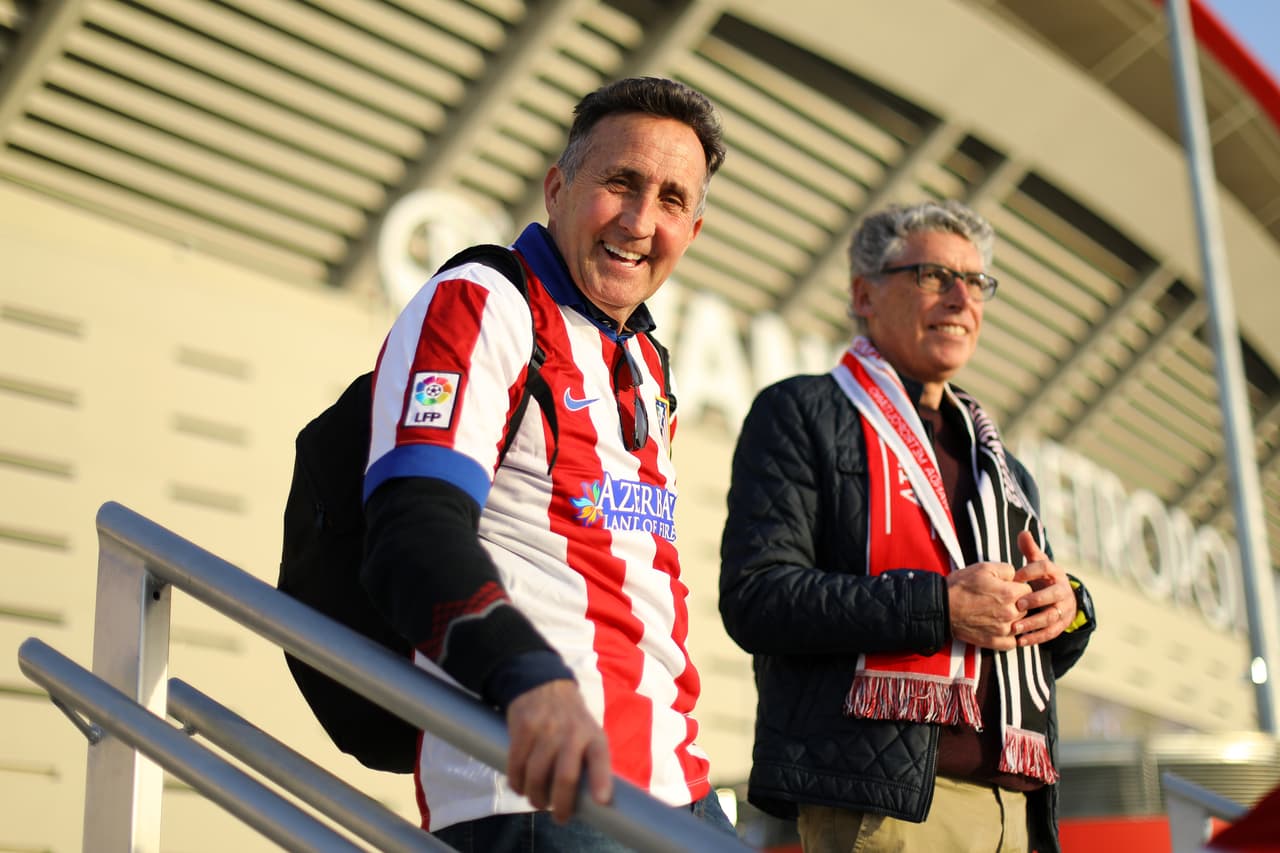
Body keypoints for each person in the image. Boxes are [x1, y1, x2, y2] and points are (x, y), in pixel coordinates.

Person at [359, 77, 733, 851]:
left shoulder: (645, 356)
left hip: (681, 787)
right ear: (558, 187)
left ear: (692, 231)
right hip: (543, 793)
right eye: (620, 182)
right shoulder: (485, 301)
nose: (638, 220)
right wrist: (527, 674)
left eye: (670, 199)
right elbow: (411, 533)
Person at [719, 200, 1097, 853]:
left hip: (1022, 805)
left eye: (976, 282)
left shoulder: (1001, 464)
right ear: (863, 294)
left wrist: (1069, 607)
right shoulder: (802, 413)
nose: (960, 298)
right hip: (885, 810)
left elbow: (1036, 647)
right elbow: (758, 597)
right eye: (931, 275)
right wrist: (940, 605)